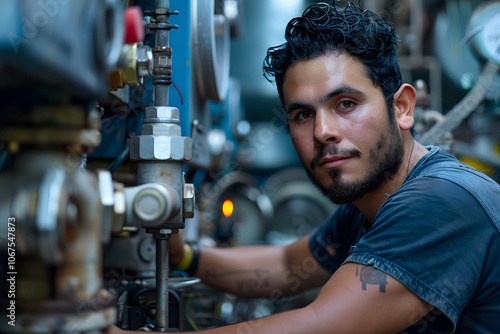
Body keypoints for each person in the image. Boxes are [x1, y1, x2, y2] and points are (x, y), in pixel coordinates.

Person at [110, 2, 500, 333]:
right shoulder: (369, 206)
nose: (323, 131)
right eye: (302, 114)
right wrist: (184, 256)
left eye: (346, 104)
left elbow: (316, 325)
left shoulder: (441, 201)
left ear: (402, 108)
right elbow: (285, 266)